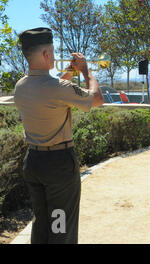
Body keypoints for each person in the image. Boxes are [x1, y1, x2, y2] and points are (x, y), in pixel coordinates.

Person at [14, 27, 104, 244]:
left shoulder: (21, 86)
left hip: (34, 162)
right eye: (52, 52)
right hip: (59, 166)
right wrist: (86, 71)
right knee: (61, 226)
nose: (54, 55)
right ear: (46, 55)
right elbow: (97, 99)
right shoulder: (57, 87)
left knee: (41, 224)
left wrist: (71, 72)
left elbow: (55, 88)